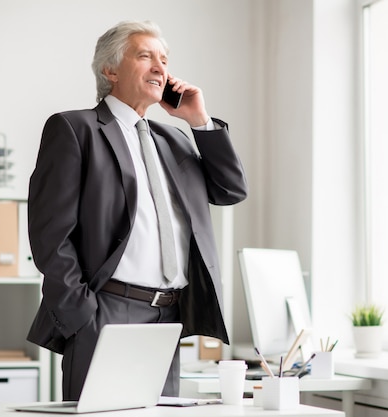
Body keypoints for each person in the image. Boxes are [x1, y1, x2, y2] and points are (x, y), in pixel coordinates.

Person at [25, 20, 248, 401]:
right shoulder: (75, 129)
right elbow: (51, 236)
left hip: (170, 317)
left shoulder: (174, 139)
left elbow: (230, 190)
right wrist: (84, 317)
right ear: (109, 70)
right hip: (106, 311)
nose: (161, 68)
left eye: (164, 59)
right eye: (145, 56)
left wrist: (199, 121)